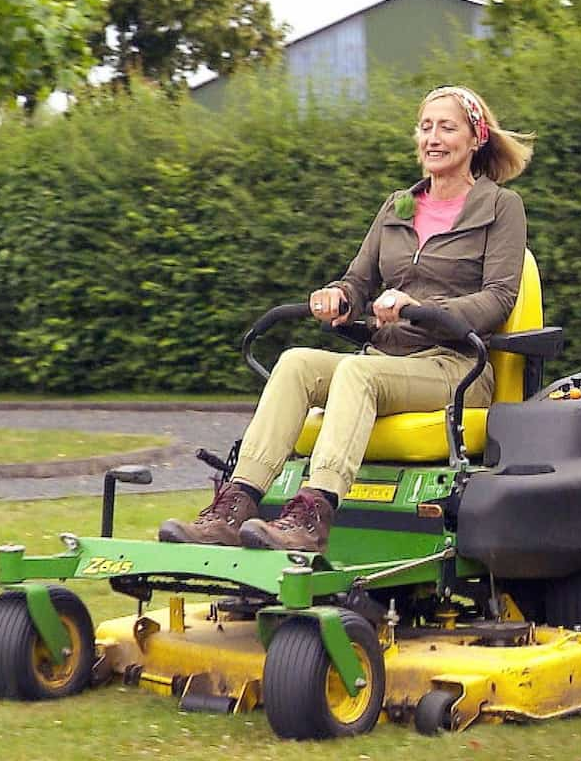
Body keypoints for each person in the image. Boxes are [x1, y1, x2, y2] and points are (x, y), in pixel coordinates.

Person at [159, 85, 535, 553]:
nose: (433, 138)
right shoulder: (398, 206)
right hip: (388, 359)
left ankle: (312, 515)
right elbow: (358, 281)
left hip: (455, 366)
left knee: (357, 372)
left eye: (447, 127)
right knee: (296, 361)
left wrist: (422, 312)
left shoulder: (501, 207)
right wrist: (337, 295)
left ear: (476, 138)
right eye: (425, 127)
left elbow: (499, 298)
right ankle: (234, 507)